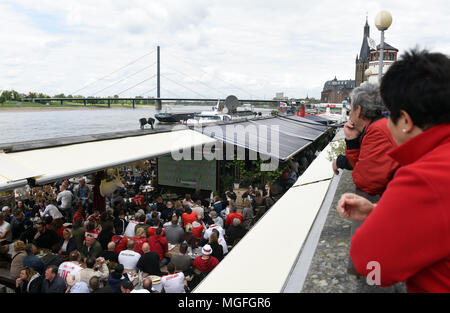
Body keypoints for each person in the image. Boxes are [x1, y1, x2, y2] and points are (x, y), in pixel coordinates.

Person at [336, 49, 450, 293]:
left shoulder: (425, 177)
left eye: (389, 114)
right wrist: (378, 211)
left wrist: (380, 217)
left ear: (406, 121)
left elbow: (370, 263)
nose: (385, 123)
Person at [332, 81, 400, 275]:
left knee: (367, 271)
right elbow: (360, 165)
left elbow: (366, 181)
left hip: (382, 207)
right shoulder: (375, 127)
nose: (349, 115)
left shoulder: (377, 132)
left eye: (350, 109)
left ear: (358, 110)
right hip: (388, 204)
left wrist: (350, 153)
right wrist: (352, 140)